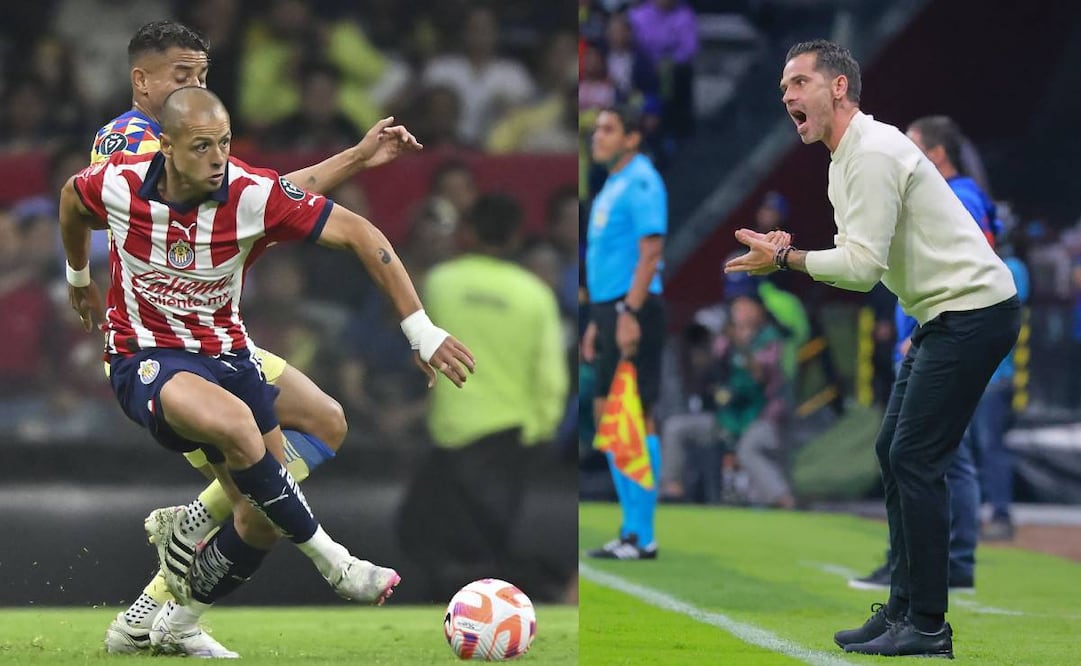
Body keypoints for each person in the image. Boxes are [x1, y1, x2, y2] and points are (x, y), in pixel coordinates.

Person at [61, 87, 475, 658]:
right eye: (202, 145)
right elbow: (70, 200)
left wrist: (422, 333)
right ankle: (335, 561)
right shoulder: (119, 173)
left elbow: (354, 230)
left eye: (224, 143)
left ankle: (170, 616)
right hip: (147, 354)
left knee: (274, 494)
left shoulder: (246, 190)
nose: (216, 157)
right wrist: (78, 276)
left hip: (229, 352)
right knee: (238, 430)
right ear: (164, 142)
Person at [725, 40, 1019, 657]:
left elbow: (860, 270)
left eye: (798, 83)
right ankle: (903, 610)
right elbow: (859, 257)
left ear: (838, 88)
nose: (787, 96)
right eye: (783, 89)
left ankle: (929, 625)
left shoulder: (875, 150)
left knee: (914, 457)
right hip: (947, 314)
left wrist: (785, 258)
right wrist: (793, 253)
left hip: (973, 311)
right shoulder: (848, 157)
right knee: (894, 450)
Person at [849, 115, 1019, 591]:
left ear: (937, 154)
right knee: (920, 453)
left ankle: (951, 565)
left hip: (946, 331)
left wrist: (929, 324)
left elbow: (961, 261)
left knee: (938, 456)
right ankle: (917, 569)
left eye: (913, 145)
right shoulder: (955, 192)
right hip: (932, 330)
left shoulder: (958, 196)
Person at [397, 193, 569, 601]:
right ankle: (538, 598)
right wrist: (539, 433)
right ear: (514, 239)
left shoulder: (441, 282)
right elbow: (552, 378)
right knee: (487, 544)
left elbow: (416, 348)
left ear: (468, 233)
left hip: (451, 438)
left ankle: (540, 595)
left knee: (427, 536)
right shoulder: (536, 295)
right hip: (509, 440)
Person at [582, 105, 667, 560]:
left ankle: (642, 533)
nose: (597, 136)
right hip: (611, 307)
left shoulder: (641, 182)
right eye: (597, 129)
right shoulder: (614, 182)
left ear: (632, 138)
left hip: (635, 305)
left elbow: (651, 251)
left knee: (636, 413)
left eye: (608, 129)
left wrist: (629, 312)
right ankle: (631, 527)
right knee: (607, 414)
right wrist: (599, 319)